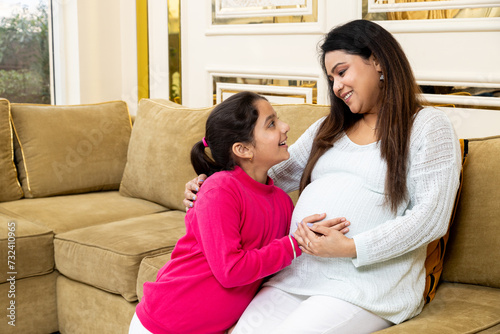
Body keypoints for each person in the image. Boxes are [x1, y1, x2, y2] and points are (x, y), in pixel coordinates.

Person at [184, 20, 461, 333]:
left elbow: (431, 217)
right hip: (296, 274)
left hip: (364, 286)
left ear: (379, 61)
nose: (336, 87)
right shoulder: (328, 128)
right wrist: (215, 183)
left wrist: (351, 247)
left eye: (342, 72)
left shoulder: (427, 126)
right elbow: (266, 174)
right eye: (331, 78)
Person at [129, 91, 350, 334]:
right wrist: (294, 244)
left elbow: (271, 264)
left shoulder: (282, 202)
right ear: (243, 149)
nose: (285, 127)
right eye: (272, 124)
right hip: (163, 323)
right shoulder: (220, 189)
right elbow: (231, 270)